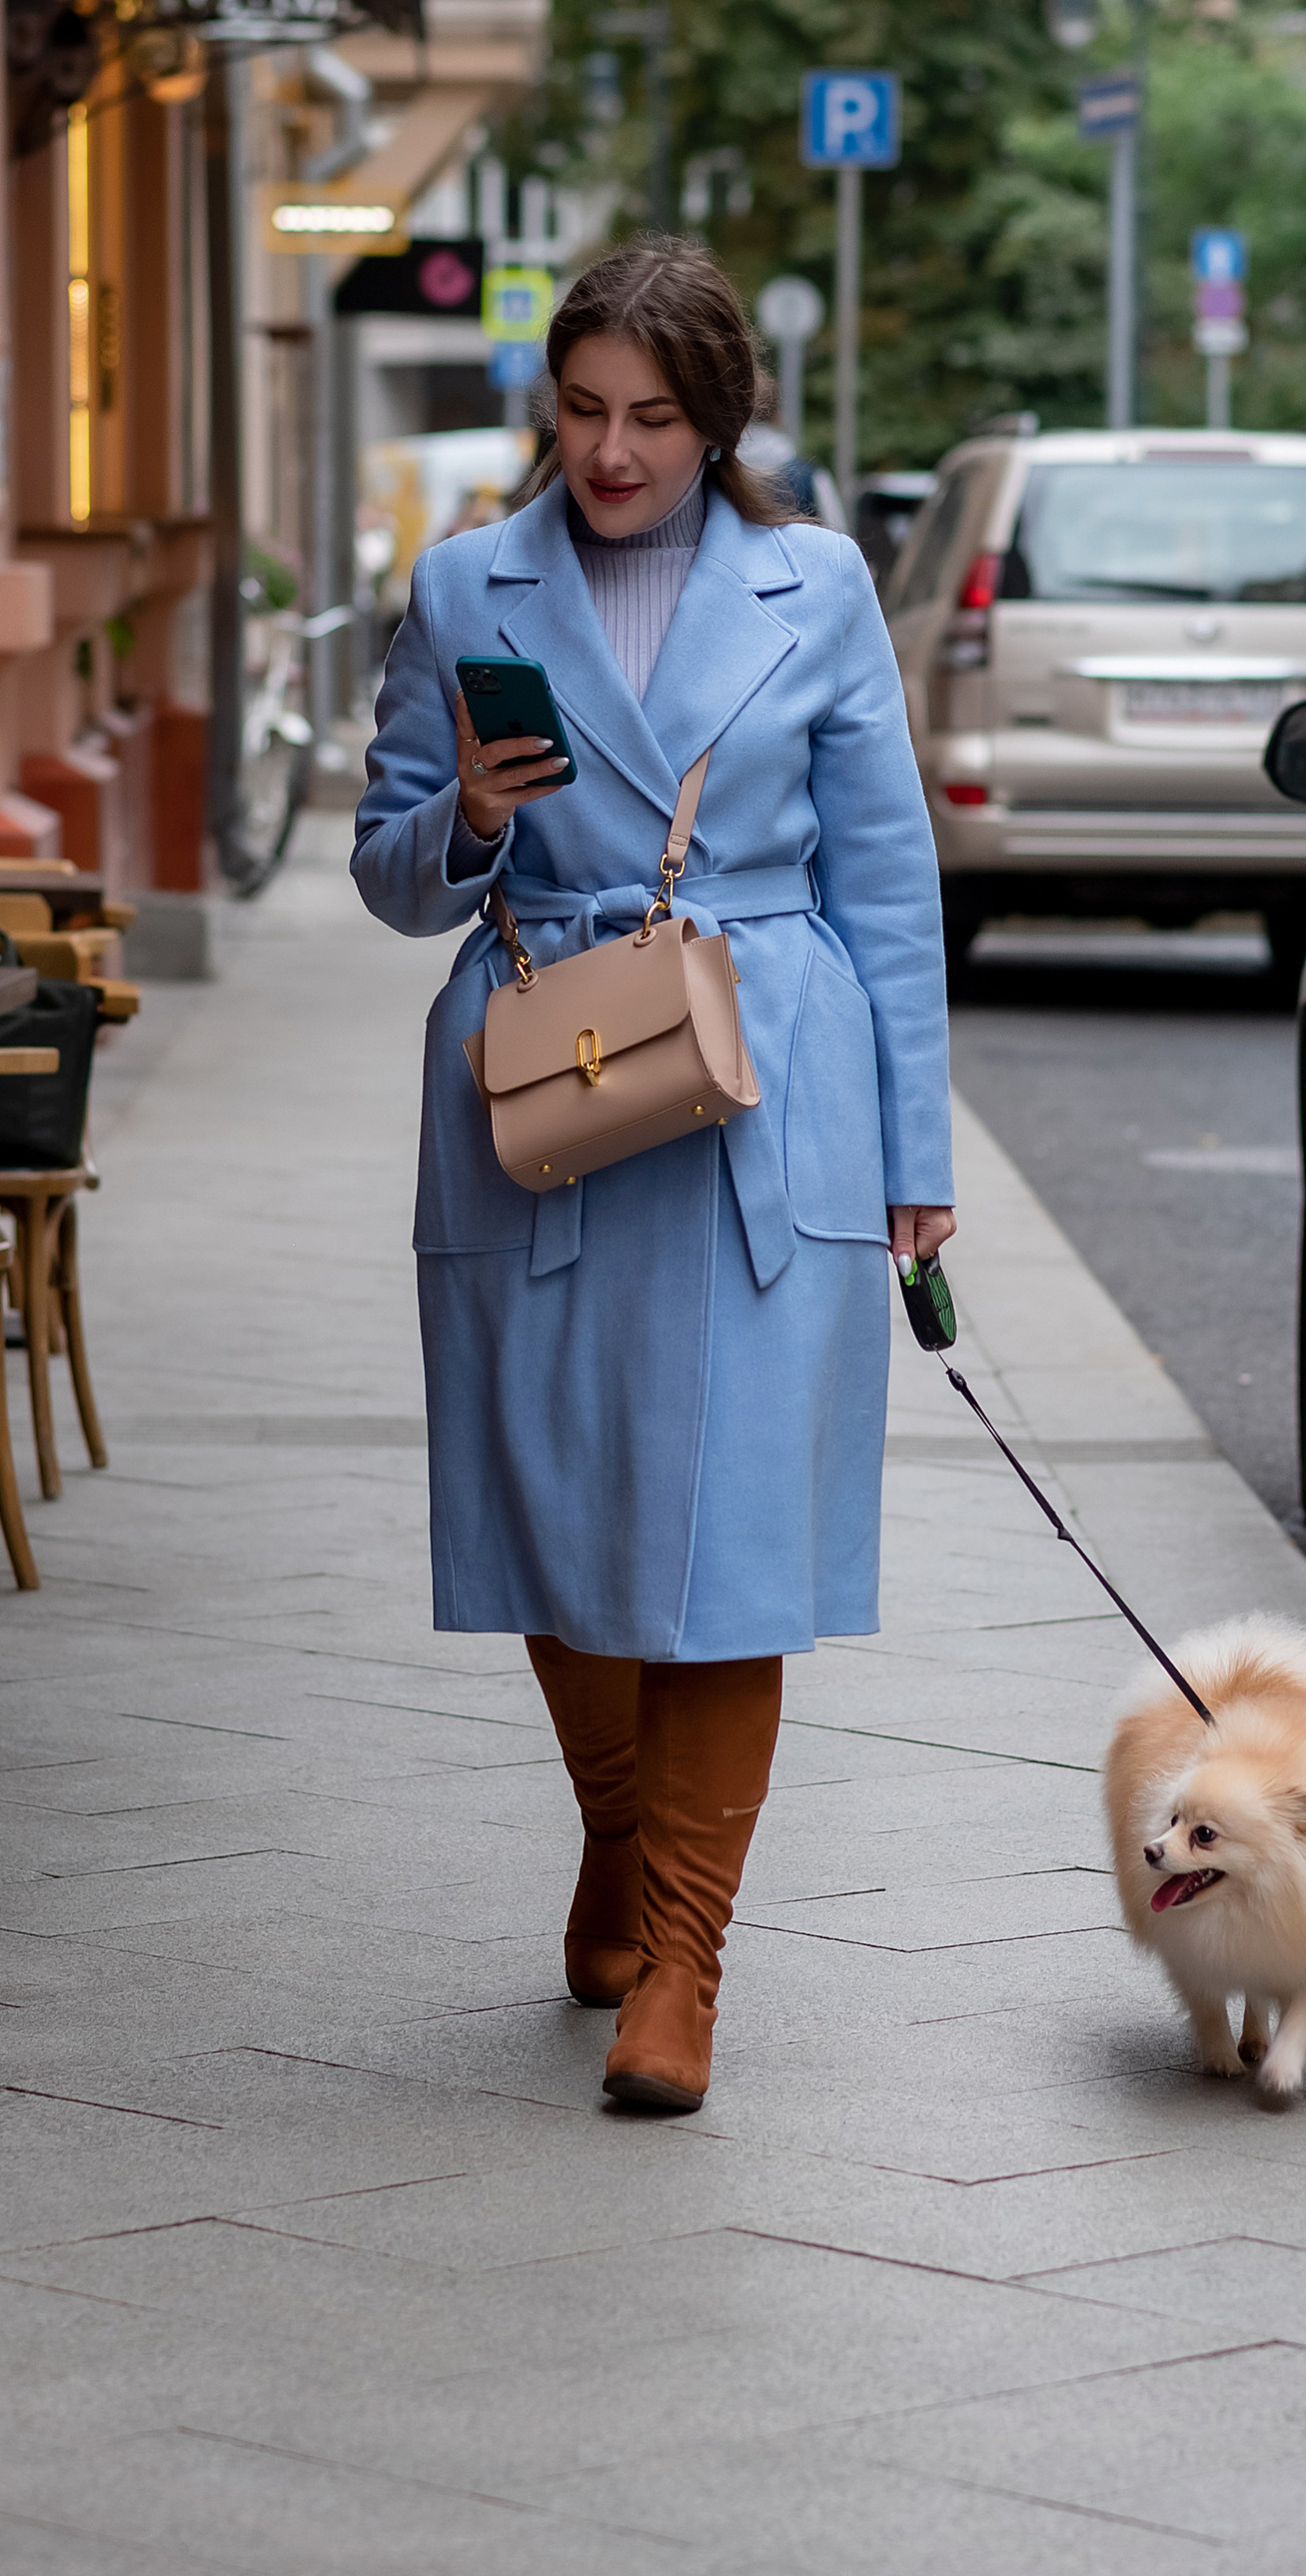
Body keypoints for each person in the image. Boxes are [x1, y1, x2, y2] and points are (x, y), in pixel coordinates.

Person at [351, 238, 956, 2114]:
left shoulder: (819, 586)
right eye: (585, 408)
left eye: (654, 419)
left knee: (735, 1534)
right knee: (559, 1499)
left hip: (767, 1079)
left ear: (719, 423)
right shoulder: (466, 588)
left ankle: (682, 1957)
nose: (611, 452)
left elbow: (889, 879)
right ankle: (615, 1829)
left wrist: (919, 1156)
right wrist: (467, 819)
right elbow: (381, 870)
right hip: (545, 1065)